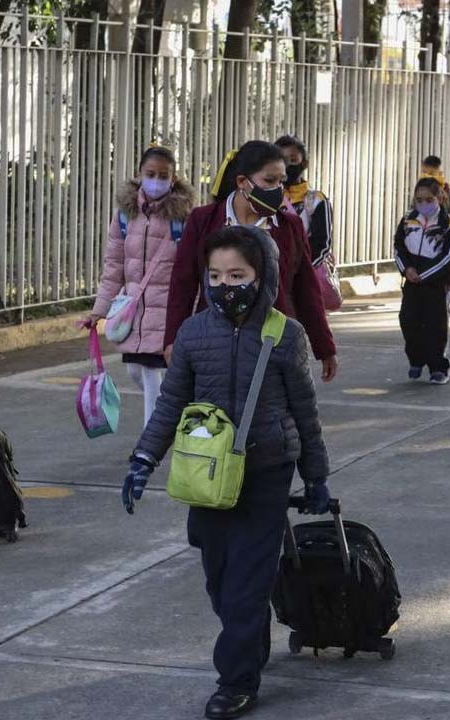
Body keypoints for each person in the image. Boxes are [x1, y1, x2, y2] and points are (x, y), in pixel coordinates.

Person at [123, 226, 331, 720]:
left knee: (246, 584)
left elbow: (306, 412)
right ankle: (250, 640)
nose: (224, 285)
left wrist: (316, 477)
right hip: (207, 475)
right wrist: (142, 460)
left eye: (237, 275)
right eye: (215, 276)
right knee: (220, 579)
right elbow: (171, 404)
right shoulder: (193, 333)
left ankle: (235, 681)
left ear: (263, 276)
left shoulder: (286, 335)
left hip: (266, 472)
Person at [165, 140, 339, 381]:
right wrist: (173, 339)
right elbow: (182, 283)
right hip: (212, 344)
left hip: (271, 344)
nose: (278, 188)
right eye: (269, 181)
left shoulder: (289, 227)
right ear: (242, 182)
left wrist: (325, 347)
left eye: (281, 181)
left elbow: (306, 290)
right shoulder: (204, 220)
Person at [85, 146, 196, 429]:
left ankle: (150, 438)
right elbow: (113, 266)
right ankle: (169, 411)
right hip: (134, 310)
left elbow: (192, 267)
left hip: (167, 307)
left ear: (174, 178)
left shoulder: (183, 218)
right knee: (135, 369)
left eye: (163, 175)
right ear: (139, 174)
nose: (156, 181)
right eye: (150, 174)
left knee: (149, 371)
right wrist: (99, 311)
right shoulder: (124, 215)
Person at [395, 177, 450, 385]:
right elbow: (398, 248)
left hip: (436, 285)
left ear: (439, 198)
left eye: (429, 199)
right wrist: (407, 270)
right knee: (408, 320)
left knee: (436, 325)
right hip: (412, 283)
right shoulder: (407, 221)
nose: (424, 204)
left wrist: (424, 275)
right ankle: (416, 359)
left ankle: (438, 367)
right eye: (419, 199)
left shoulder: (448, 225)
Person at [274, 135, 334, 270]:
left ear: (305, 163)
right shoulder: (267, 198)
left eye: (293, 159)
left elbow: (321, 244)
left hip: (304, 275)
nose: (287, 165)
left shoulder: (317, 200)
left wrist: (301, 274)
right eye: (281, 160)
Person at [421, 154, 450, 224]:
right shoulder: (420, 192)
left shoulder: (448, 191)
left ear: (439, 173)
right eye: (424, 173)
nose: (426, 177)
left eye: (430, 174)